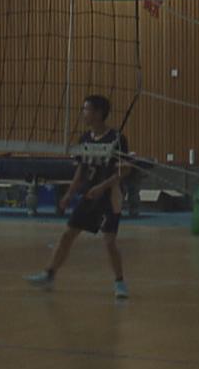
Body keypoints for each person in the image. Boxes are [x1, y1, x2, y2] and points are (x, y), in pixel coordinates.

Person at [25, 94, 133, 298]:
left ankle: (120, 282)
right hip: (89, 196)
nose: (83, 113)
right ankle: (49, 274)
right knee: (67, 235)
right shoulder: (84, 139)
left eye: (86, 109)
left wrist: (102, 187)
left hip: (110, 196)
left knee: (109, 241)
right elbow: (81, 171)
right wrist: (69, 194)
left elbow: (124, 170)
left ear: (98, 113)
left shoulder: (117, 138)